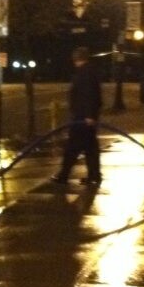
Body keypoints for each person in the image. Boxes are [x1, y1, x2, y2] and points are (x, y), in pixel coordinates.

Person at [51, 46, 103, 186]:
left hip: (82, 118)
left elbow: (89, 95)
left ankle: (64, 175)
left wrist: (89, 115)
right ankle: (94, 175)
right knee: (90, 148)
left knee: (73, 147)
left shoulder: (84, 73)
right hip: (85, 117)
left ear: (77, 59)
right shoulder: (89, 72)